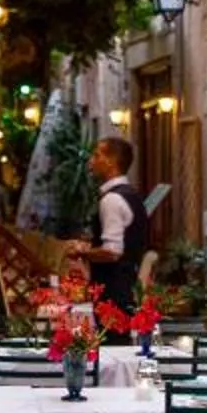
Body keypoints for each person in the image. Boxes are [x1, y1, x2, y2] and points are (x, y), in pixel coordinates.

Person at [86, 136, 150, 318]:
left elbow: (112, 251)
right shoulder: (132, 195)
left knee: (112, 344)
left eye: (97, 155)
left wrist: (83, 252)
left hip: (113, 292)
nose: (92, 161)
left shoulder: (112, 199)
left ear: (111, 162)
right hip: (128, 287)